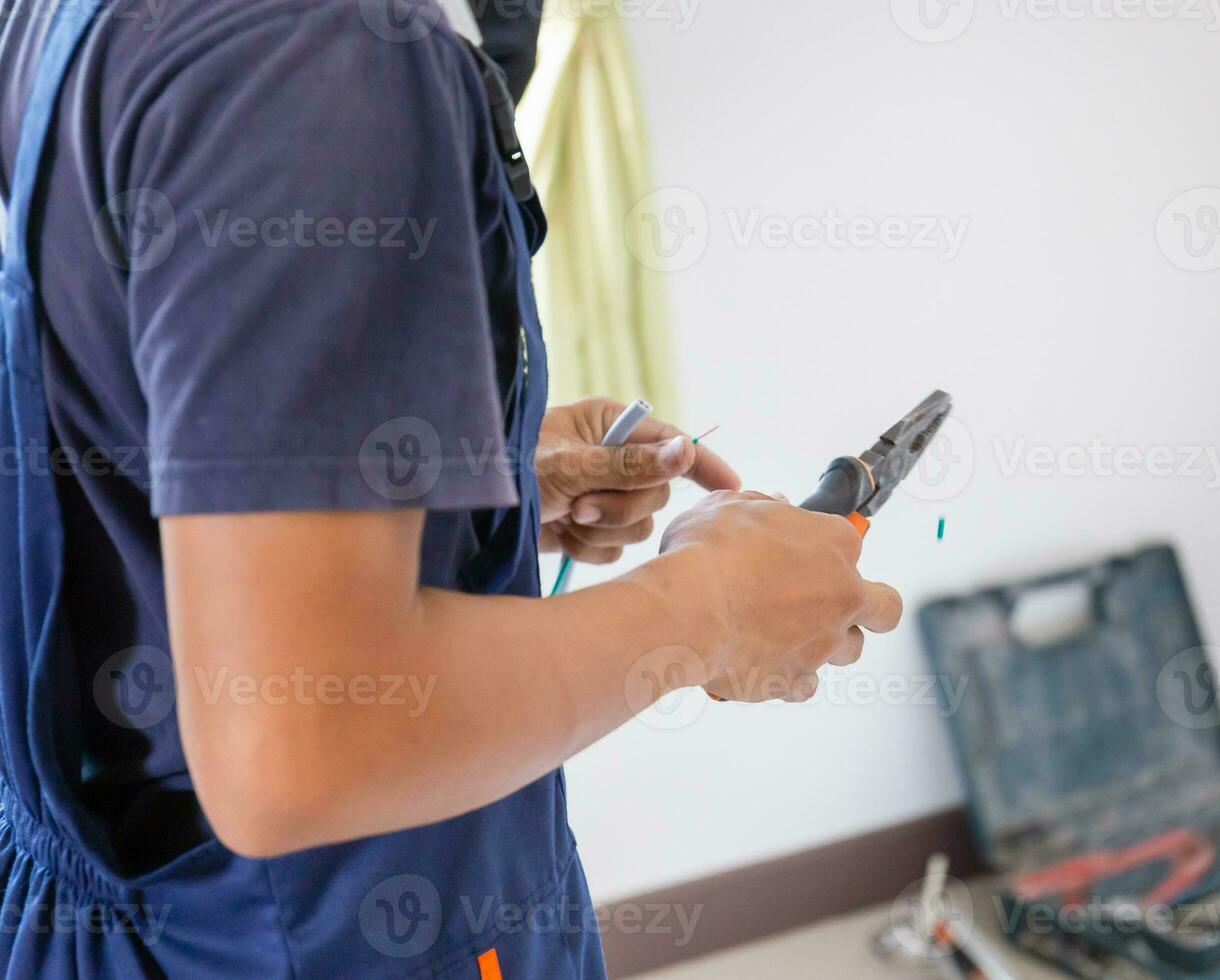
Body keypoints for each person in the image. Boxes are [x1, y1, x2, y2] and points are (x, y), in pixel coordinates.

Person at [0, 0, 901, 975]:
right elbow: (306, 737)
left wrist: (432, 497)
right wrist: (709, 608)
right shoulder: (324, 54)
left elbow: (116, 437)